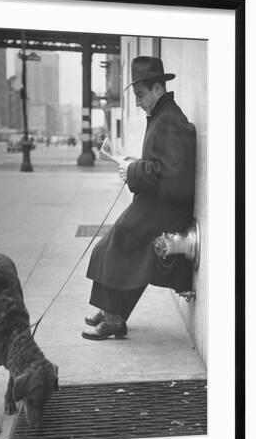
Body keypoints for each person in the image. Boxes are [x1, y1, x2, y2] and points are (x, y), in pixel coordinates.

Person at [82, 56, 196, 340]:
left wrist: (133, 170)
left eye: (141, 95)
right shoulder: (163, 115)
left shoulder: (168, 120)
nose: (138, 102)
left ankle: (113, 317)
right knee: (112, 244)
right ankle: (112, 311)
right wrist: (133, 164)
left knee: (117, 241)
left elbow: (173, 175)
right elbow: (160, 165)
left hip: (166, 208)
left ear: (158, 89)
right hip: (157, 203)